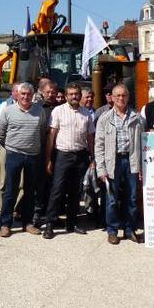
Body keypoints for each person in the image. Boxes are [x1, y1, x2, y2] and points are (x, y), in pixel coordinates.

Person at [43, 82, 95, 239]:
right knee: (57, 190)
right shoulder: (58, 111)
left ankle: (71, 223)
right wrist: (48, 159)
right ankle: (50, 224)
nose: (74, 96)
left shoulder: (87, 114)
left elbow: (90, 138)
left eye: (76, 94)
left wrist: (92, 158)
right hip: (62, 155)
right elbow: (51, 136)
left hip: (80, 156)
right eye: (71, 94)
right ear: (66, 96)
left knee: (75, 191)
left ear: (80, 95)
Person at [94, 83, 144, 245]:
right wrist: (101, 169)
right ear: (112, 98)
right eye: (118, 96)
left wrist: (142, 166)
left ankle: (130, 229)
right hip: (112, 162)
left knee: (131, 197)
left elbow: (144, 143)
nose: (121, 98)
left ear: (128, 97)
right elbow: (99, 145)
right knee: (112, 198)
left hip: (131, 162)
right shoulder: (105, 119)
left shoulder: (137, 118)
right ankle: (112, 230)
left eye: (124, 95)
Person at [0, 82, 47, 237]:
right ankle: (5, 224)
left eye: (28, 94)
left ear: (33, 95)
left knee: (30, 192)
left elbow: (42, 131)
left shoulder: (40, 111)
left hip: (33, 155)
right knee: (10, 190)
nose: (25, 96)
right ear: (17, 94)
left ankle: (27, 223)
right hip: (14, 154)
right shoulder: (8, 111)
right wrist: (12, 147)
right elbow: (1, 133)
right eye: (23, 93)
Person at [33, 79, 59, 228]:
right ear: (42, 92)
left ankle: (52, 215)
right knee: (38, 184)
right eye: (48, 92)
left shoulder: (61, 108)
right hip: (39, 151)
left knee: (54, 185)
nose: (50, 94)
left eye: (53, 92)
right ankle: (37, 214)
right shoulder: (36, 108)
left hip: (57, 151)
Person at [0, 83, 21, 213]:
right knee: (4, 180)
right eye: (17, 91)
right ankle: (1, 209)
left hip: (22, 149)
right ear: (13, 93)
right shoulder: (5, 105)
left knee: (21, 183)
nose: (20, 94)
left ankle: (16, 209)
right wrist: (6, 144)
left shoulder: (31, 107)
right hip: (6, 147)